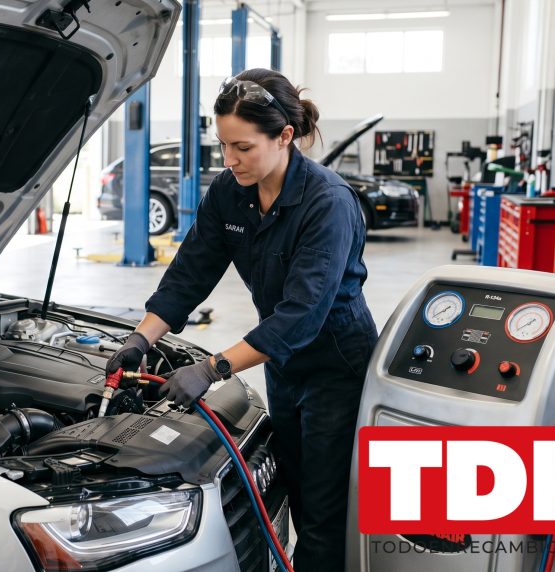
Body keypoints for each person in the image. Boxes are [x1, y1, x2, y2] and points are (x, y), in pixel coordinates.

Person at [104, 68, 377, 571]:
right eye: (223, 145)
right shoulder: (229, 191)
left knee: (322, 507)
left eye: (243, 148)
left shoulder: (327, 202)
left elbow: (301, 315)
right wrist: (139, 339)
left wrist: (212, 368)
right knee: (289, 486)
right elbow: (189, 273)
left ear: (285, 136)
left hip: (336, 363)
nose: (229, 160)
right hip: (280, 362)